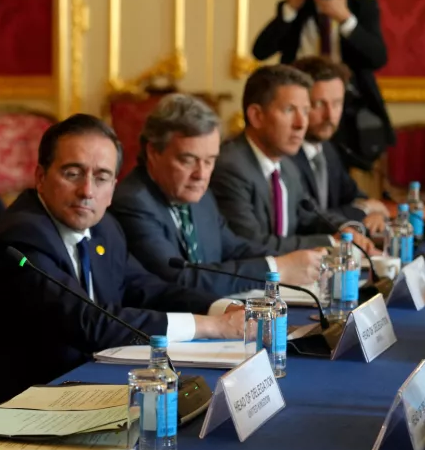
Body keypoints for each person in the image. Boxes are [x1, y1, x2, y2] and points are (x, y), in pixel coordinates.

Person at [0, 114, 245, 404]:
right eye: (72, 173)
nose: (87, 191)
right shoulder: (22, 237)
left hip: (85, 385)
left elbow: (145, 287)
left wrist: (221, 308)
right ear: (40, 177)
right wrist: (212, 327)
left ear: (112, 188)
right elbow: (90, 322)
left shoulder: (103, 227)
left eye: (101, 178)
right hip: (24, 402)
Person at [111, 93, 326, 297]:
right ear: (153, 152)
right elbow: (179, 280)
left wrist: (296, 258)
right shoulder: (133, 202)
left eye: (209, 160)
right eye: (188, 160)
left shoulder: (199, 196)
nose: (201, 174)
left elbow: (234, 248)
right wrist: (276, 269)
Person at [209, 64, 378, 255]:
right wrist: (331, 241)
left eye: (305, 111)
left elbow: (310, 216)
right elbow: (251, 243)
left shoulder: (287, 166)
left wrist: (346, 230)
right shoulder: (231, 168)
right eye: (289, 110)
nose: (301, 124)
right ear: (257, 116)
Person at [252, 0, 393, 170]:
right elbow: (260, 50)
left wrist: (346, 19)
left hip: (346, 109)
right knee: (297, 166)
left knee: (339, 171)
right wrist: (290, 9)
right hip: (300, 103)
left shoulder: (361, 6)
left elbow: (378, 58)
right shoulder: (296, 6)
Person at [291, 56, 389, 235]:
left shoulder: (328, 148)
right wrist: (365, 209)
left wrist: (375, 213)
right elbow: (308, 218)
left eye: (337, 104)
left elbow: (354, 196)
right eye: (319, 104)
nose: (330, 116)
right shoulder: (285, 155)